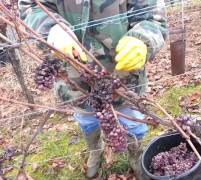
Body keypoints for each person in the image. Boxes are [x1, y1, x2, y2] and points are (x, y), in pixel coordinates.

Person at [18, 0, 168, 178]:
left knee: (132, 118)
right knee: (86, 117)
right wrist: (51, 29)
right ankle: (95, 149)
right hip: (73, 75)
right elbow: (30, 6)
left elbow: (153, 15)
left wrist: (143, 38)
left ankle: (135, 152)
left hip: (121, 74)